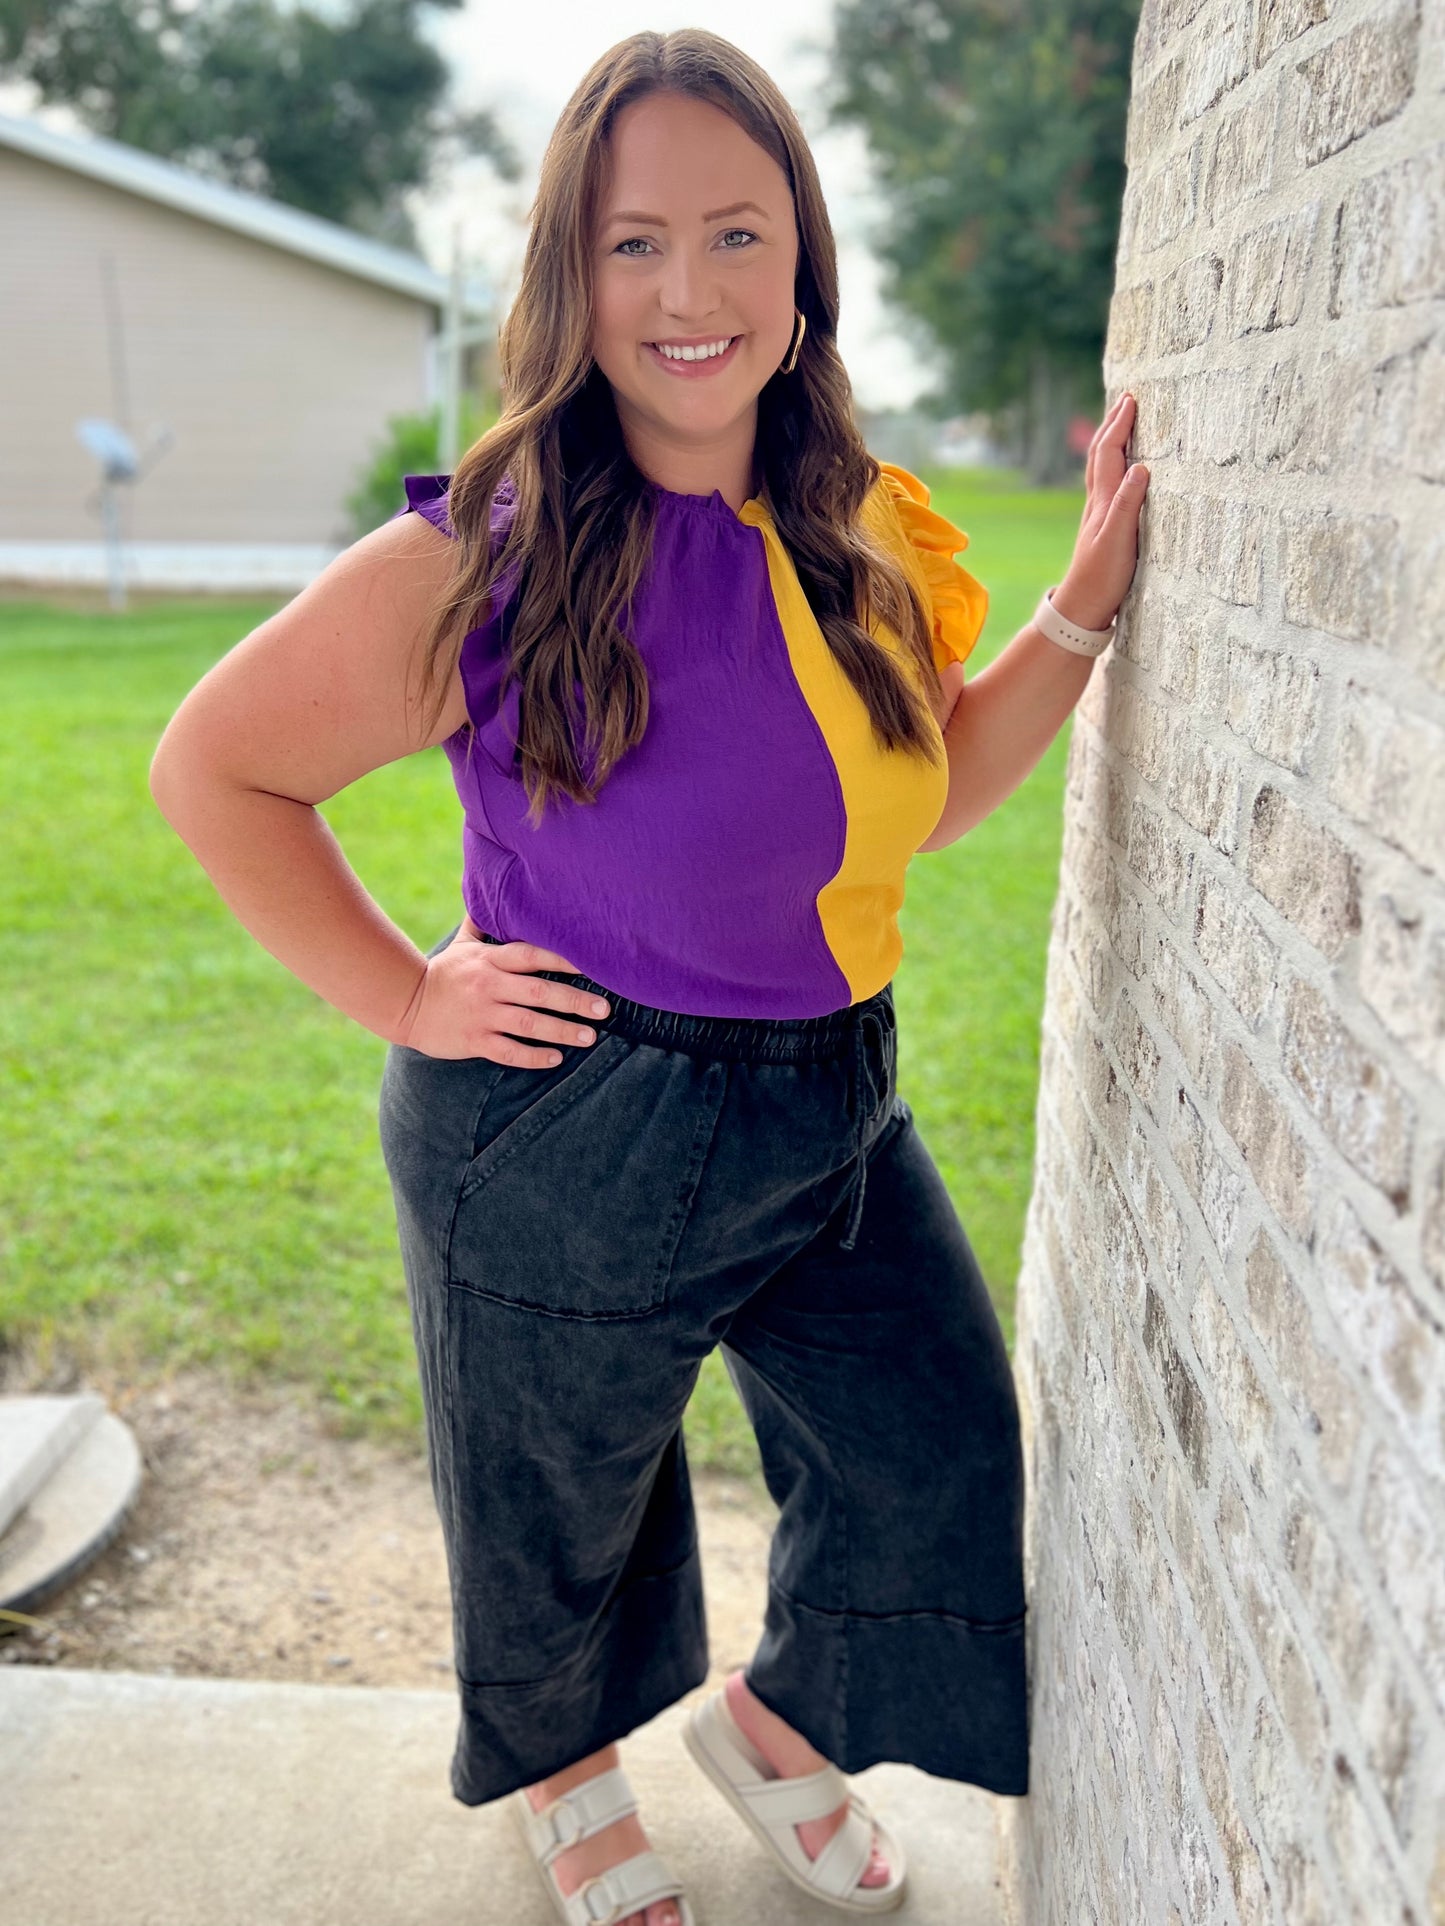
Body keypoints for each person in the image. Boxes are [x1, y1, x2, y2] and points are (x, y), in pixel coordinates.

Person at [149, 28, 1148, 1926]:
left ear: (802, 263)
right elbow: (216, 764)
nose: (687, 292)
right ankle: (565, 1780)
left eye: (735, 234)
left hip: (827, 1097)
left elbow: (913, 798)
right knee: (559, 1510)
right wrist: (408, 993)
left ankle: (772, 1729)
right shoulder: (491, 557)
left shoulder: (860, 530)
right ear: (569, 275)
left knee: (930, 1450)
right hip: (570, 1115)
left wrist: (1077, 612)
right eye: (632, 245)